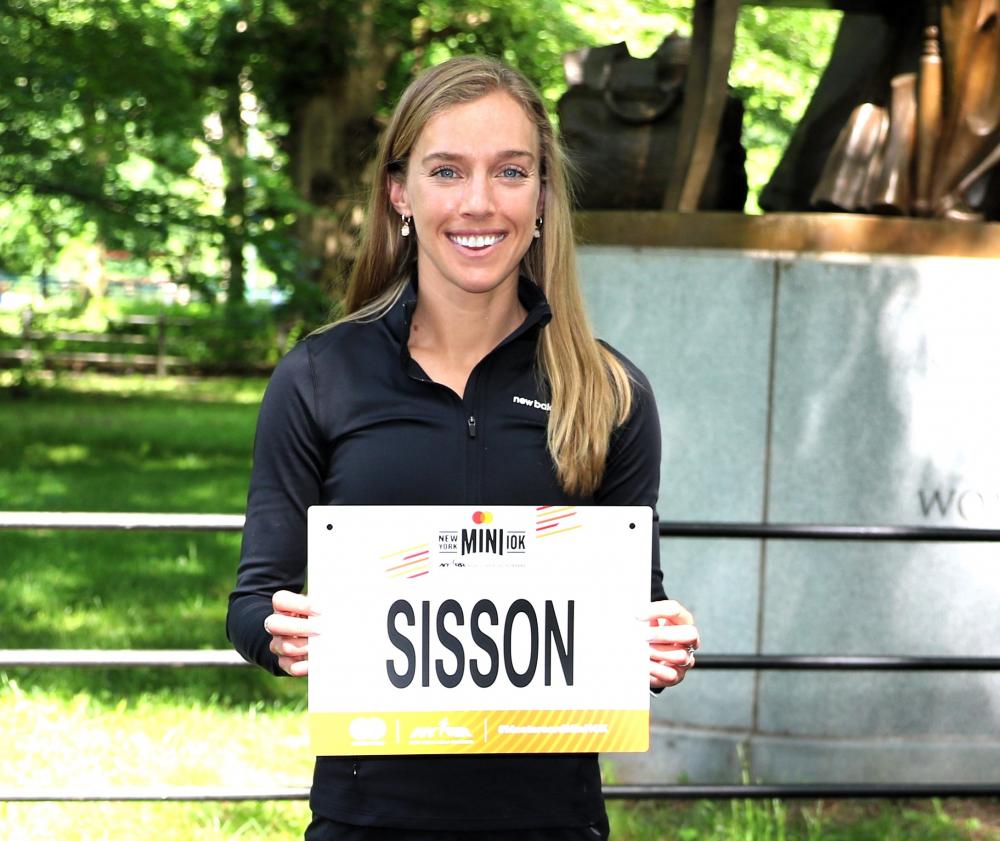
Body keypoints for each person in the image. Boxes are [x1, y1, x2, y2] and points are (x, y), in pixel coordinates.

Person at [227, 55, 700, 840]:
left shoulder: (611, 393)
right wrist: (282, 631)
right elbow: (251, 604)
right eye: (447, 170)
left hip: (551, 824)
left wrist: (658, 640)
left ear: (542, 196)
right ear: (400, 191)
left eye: (510, 171)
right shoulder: (317, 377)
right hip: (367, 823)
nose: (479, 202)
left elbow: (632, 611)